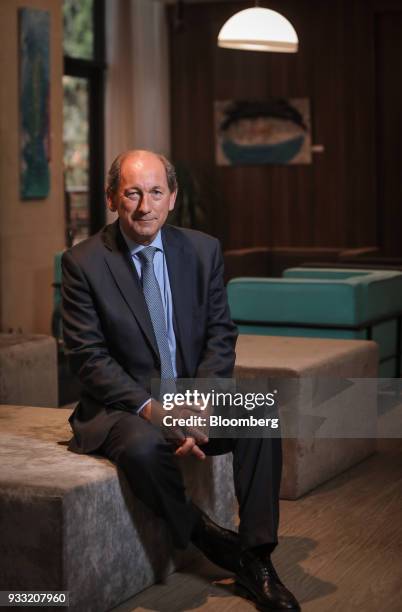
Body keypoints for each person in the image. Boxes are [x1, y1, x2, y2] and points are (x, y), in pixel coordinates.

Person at [62, 149, 300, 610]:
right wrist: (156, 409)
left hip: (191, 394)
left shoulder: (202, 249)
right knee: (142, 446)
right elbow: (88, 359)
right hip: (125, 403)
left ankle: (256, 558)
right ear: (113, 198)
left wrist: (203, 403)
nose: (144, 205)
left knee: (261, 409)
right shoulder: (83, 263)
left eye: (155, 192)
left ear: (173, 198)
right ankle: (201, 532)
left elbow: (219, 332)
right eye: (132, 193)